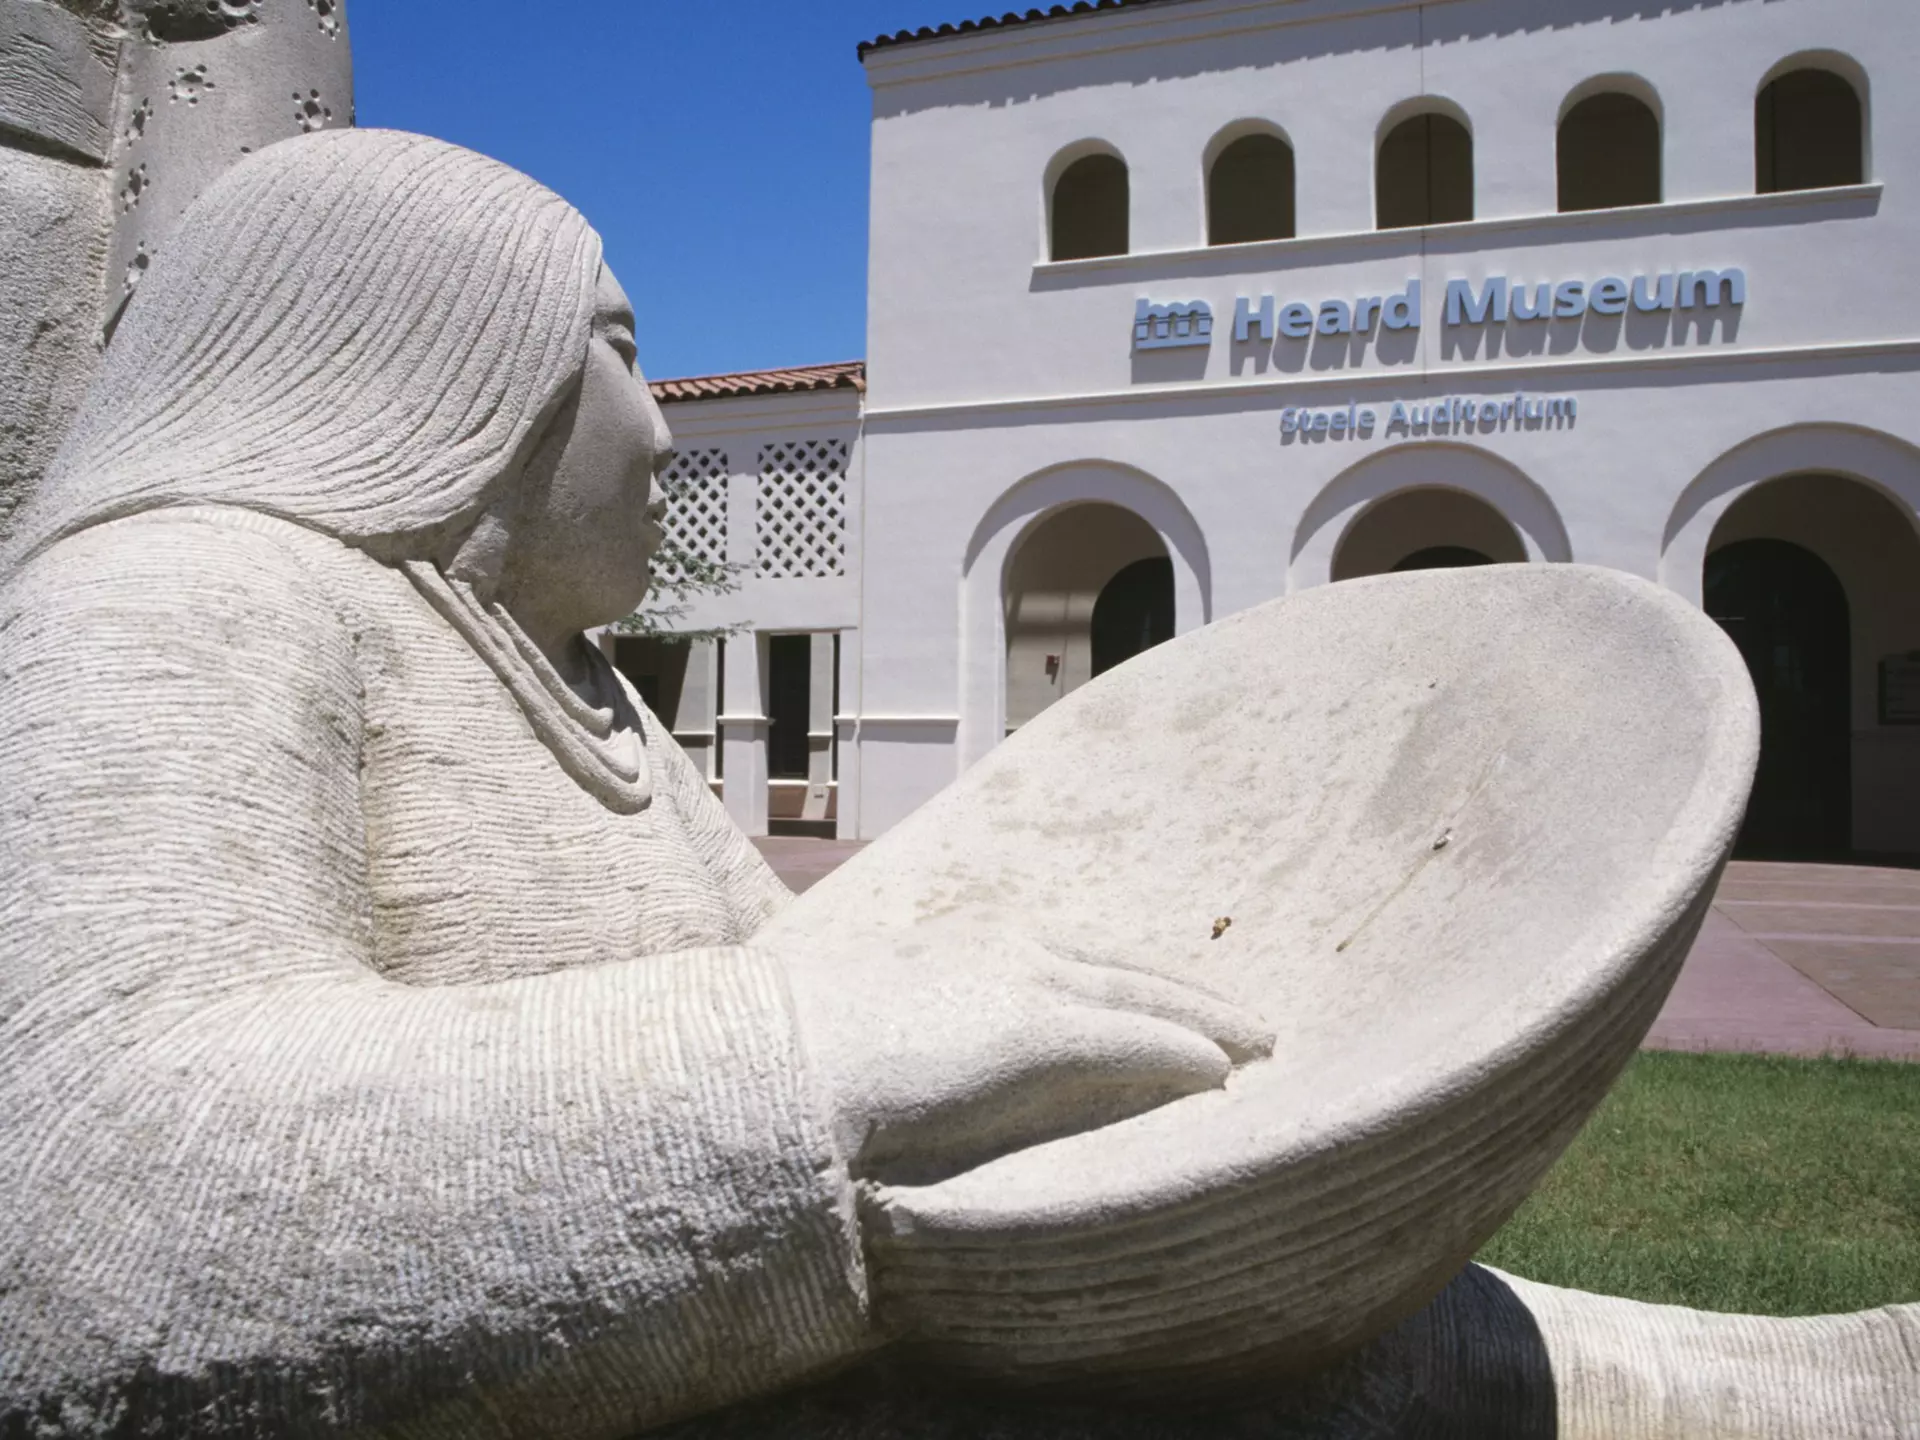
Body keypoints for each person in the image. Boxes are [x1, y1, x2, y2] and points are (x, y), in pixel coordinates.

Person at [0, 129, 1267, 1438]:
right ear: (446, 349)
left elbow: (805, 956)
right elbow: (90, 1176)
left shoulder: (573, 672)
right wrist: (811, 1066)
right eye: (618, 349)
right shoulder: (179, 590)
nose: (663, 432)